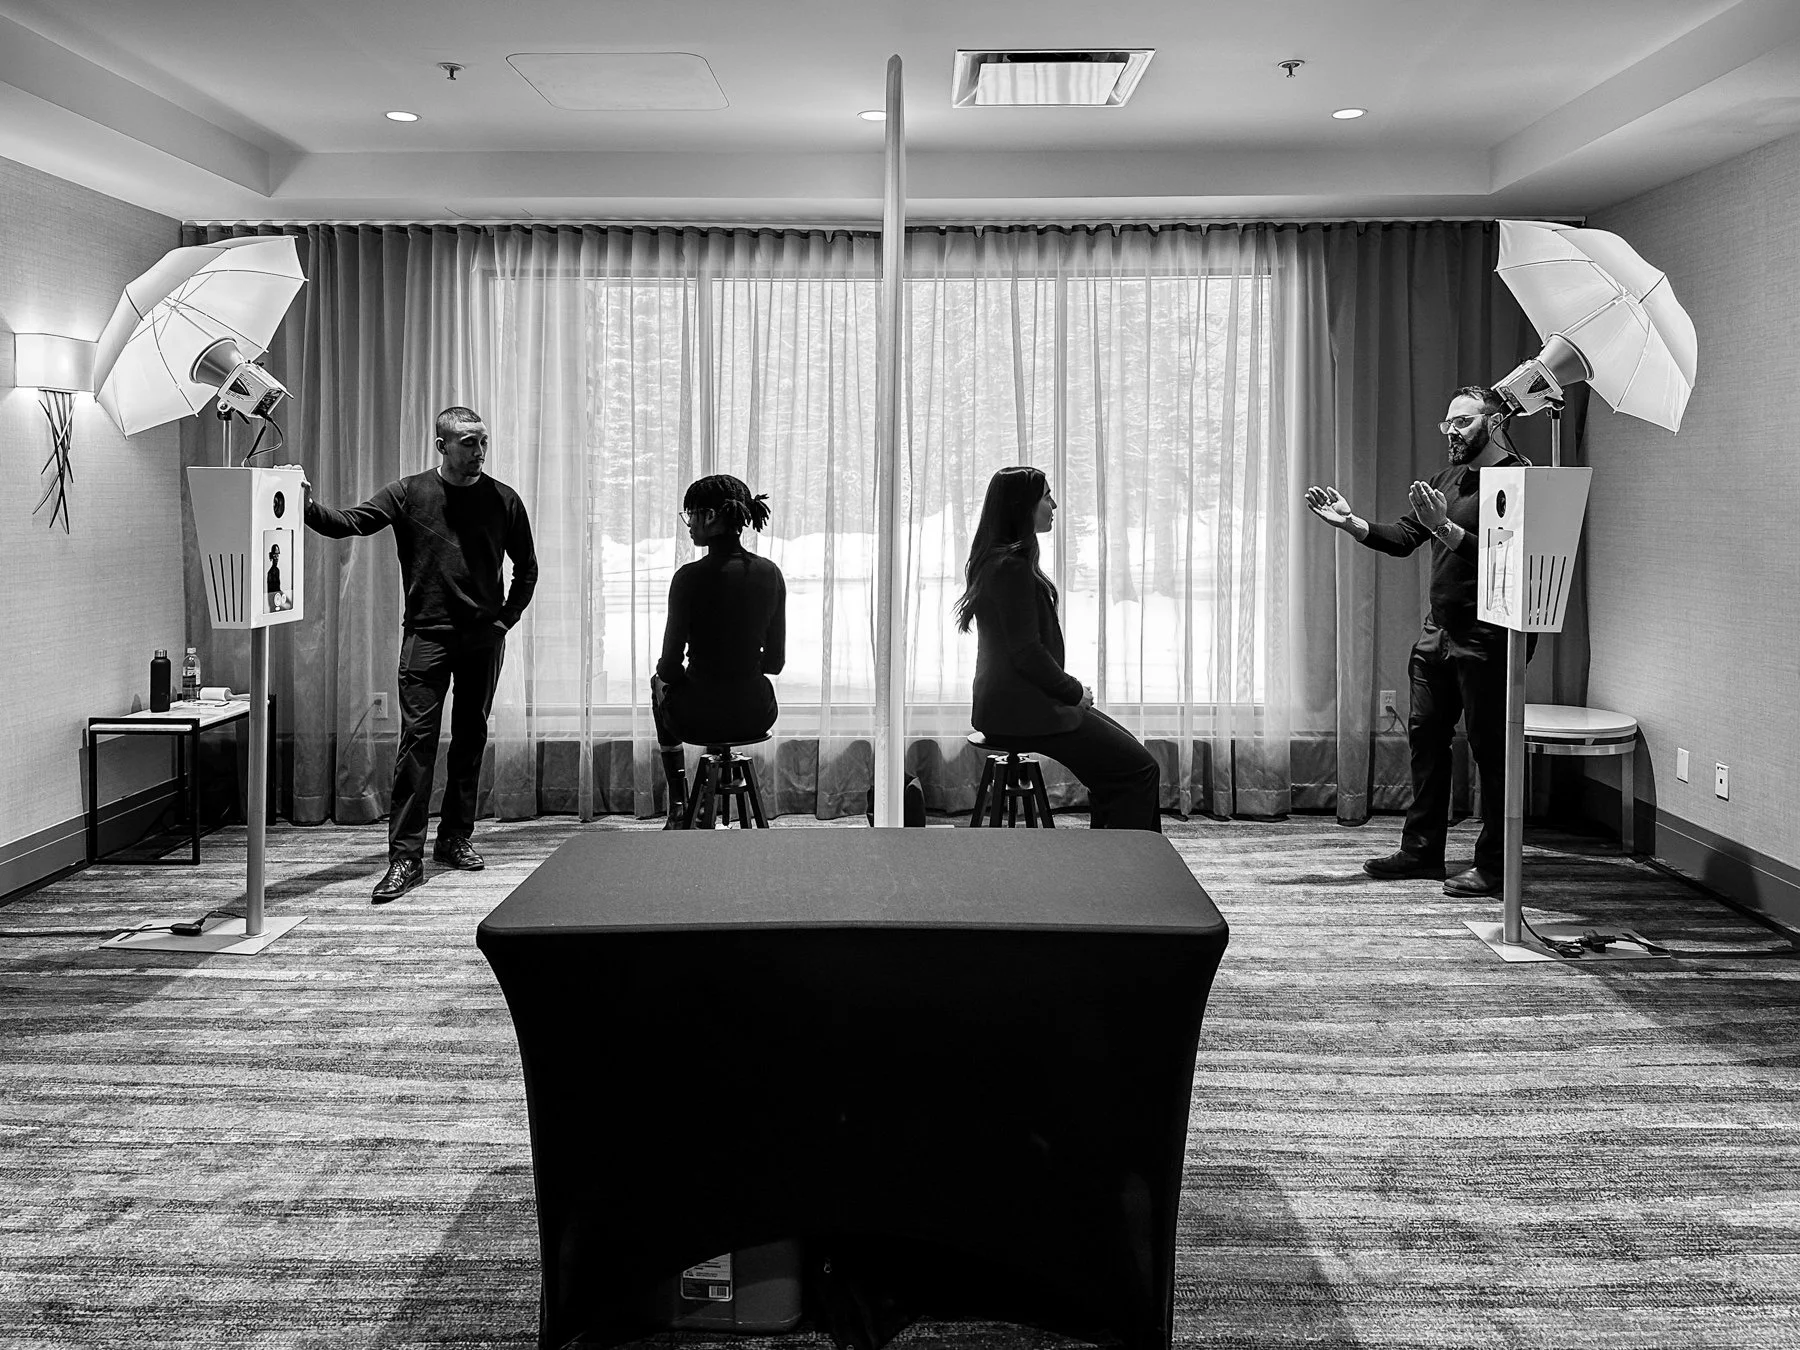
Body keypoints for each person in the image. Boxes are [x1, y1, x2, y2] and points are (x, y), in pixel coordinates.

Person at [293, 406, 538, 902]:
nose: (478, 452)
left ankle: (454, 838)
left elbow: (527, 568)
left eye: (482, 441)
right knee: (417, 745)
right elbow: (351, 523)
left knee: (470, 738)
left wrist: (504, 621)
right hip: (426, 636)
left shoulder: (503, 499)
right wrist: (303, 504)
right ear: (441, 445)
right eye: (468, 442)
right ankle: (405, 859)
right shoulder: (408, 493)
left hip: (481, 640)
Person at [1304, 384, 1530, 897]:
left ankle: (1495, 868)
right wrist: (1352, 522)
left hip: (1492, 635)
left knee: (1491, 750)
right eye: (1447, 423)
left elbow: (1512, 557)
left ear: (1494, 424)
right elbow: (1407, 537)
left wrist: (1445, 527)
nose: (1451, 432)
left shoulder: (1519, 479)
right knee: (1426, 739)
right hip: (1439, 632)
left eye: (1464, 423)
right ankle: (1421, 852)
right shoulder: (1446, 478)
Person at [954, 466, 1161, 831]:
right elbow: (1026, 653)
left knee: (1128, 764)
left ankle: (1114, 861)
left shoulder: (1001, 561)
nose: (1053, 505)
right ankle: (1132, 868)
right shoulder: (1010, 568)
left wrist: (1068, 693)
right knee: (1138, 769)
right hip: (1019, 708)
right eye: (1045, 497)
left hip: (1017, 702)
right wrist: (1073, 691)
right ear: (1023, 507)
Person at [652, 475, 786, 828]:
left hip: (697, 716)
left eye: (690, 515)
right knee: (724, 692)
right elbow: (775, 662)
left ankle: (681, 803)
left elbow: (669, 667)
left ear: (710, 516)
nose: (689, 524)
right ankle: (715, 794)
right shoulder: (770, 573)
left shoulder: (689, 577)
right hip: (757, 713)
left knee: (657, 682)